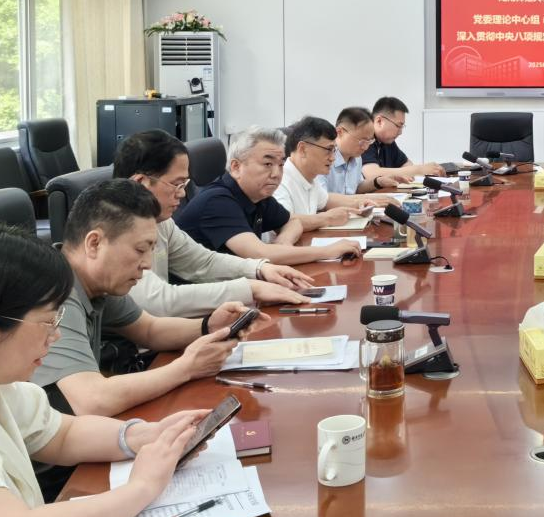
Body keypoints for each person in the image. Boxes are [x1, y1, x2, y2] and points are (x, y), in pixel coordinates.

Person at [0, 225, 215, 517]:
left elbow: (63, 434)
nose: (56, 335)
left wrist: (144, 435)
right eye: (47, 322)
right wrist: (142, 487)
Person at [32, 180, 268, 418]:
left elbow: (149, 329)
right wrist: (186, 368)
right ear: (94, 243)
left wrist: (209, 325)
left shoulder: (95, 282)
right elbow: (92, 400)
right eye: (140, 250)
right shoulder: (53, 292)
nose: (147, 264)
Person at [111, 130, 310, 316]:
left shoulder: (162, 222)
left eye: (184, 185)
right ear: (141, 183)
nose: (182, 194)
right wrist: (250, 288)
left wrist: (260, 269)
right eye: (176, 184)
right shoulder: (113, 230)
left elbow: (203, 262)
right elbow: (159, 300)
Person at [175, 127, 363, 266]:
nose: (276, 174)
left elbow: (293, 221)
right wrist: (327, 251)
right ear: (236, 167)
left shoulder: (258, 195)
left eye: (280, 165)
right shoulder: (217, 202)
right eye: (267, 164)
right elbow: (259, 254)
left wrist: (284, 241)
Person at [274, 116, 382, 220]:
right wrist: (327, 218)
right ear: (302, 149)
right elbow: (285, 221)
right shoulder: (279, 182)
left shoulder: (309, 178)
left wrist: (359, 203)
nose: (333, 158)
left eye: (334, 150)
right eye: (328, 150)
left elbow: (327, 200)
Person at [361, 96, 445, 187]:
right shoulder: (365, 138)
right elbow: (371, 173)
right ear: (379, 121)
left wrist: (408, 173)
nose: (400, 132)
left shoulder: (387, 141)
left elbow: (406, 164)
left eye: (402, 126)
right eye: (398, 126)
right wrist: (419, 169)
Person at [323, 107, 386, 196]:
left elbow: (357, 187)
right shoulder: (323, 158)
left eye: (369, 141)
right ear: (339, 132)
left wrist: (378, 182)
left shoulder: (357, 158)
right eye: (362, 141)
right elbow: (322, 198)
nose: (365, 147)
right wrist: (357, 201)